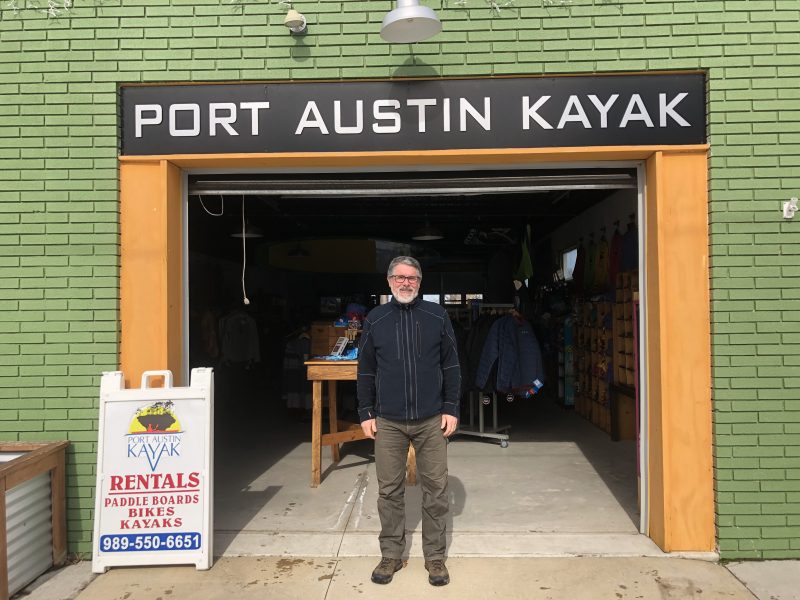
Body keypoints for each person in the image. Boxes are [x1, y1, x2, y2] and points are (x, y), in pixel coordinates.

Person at [357, 256, 461, 587]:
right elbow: (366, 369)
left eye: (412, 278)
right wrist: (365, 411)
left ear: (420, 282)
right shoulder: (375, 319)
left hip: (432, 420)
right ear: (389, 281)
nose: (406, 283)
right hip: (388, 420)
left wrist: (451, 407)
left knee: (436, 490)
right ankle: (391, 554)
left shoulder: (437, 315)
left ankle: (435, 557)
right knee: (389, 490)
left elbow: (451, 365)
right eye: (400, 277)